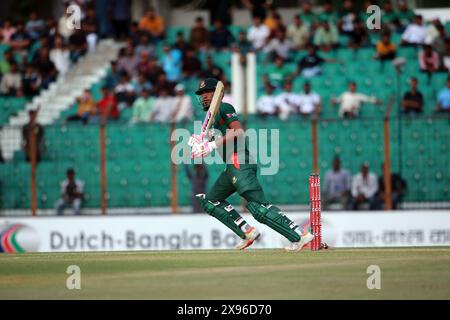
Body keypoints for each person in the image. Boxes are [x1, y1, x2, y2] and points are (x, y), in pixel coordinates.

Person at [188, 78, 314, 251]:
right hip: (230, 166)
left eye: (207, 93)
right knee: (211, 201)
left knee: (257, 206)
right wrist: (200, 143)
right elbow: (216, 141)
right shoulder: (211, 118)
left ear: (217, 94)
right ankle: (247, 232)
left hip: (239, 161)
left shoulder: (224, 107)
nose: (204, 97)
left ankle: (300, 235)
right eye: (201, 94)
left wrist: (211, 144)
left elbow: (238, 131)